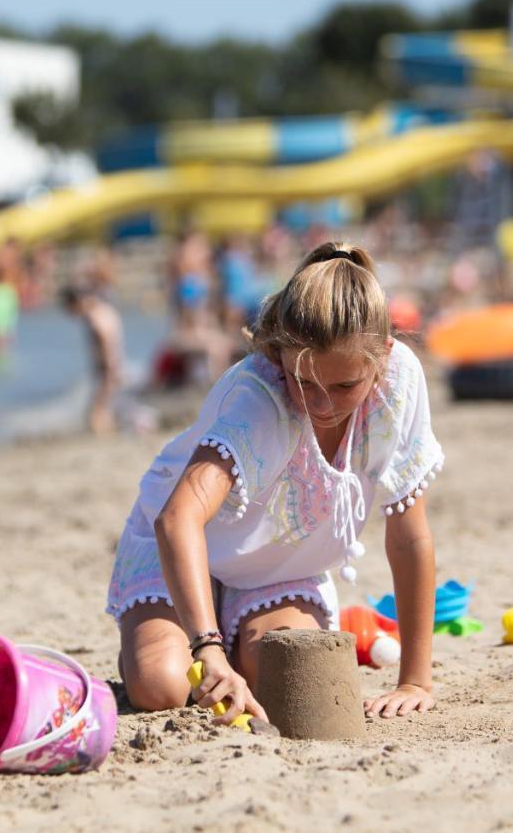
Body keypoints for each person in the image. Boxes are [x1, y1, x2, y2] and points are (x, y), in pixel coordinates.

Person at [107, 242, 441, 723]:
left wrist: (415, 680)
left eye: (345, 386)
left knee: (286, 678)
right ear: (279, 355)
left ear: (383, 355)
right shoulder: (258, 398)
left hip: (277, 567)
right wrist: (210, 650)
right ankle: (185, 631)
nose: (322, 405)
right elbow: (178, 518)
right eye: (304, 382)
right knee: (161, 686)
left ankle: (235, 632)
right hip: (179, 552)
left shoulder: (401, 383)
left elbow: (409, 535)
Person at [61, 284, 124, 434]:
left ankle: (101, 435)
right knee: (106, 406)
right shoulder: (104, 309)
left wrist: (109, 367)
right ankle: (107, 432)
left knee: (97, 409)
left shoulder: (94, 318)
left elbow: (103, 339)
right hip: (113, 363)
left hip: (107, 367)